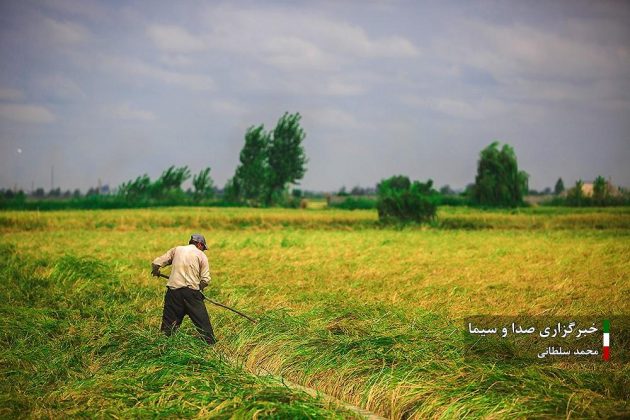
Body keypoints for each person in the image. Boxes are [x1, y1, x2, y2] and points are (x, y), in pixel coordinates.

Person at [151, 233, 216, 345]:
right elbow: (205, 280)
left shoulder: (177, 250)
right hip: (192, 294)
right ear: (200, 244)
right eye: (203, 248)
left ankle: (162, 347)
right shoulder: (201, 255)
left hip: (173, 293)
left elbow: (156, 263)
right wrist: (199, 289)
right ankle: (210, 347)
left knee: (168, 328)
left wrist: (156, 271)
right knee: (204, 326)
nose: (203, 250)